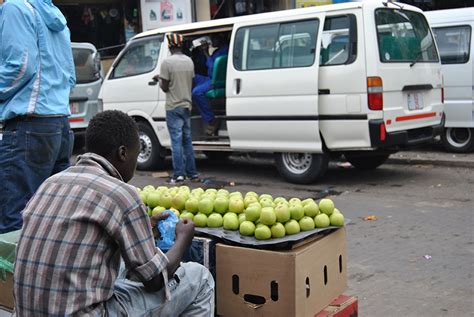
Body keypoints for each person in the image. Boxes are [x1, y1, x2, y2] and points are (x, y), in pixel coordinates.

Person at [13, 110, 215, 316]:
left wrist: (143, 228)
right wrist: (183, 239)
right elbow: (155, 280)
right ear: (123, 153)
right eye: (136, 156)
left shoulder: (51, 183)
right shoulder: (122, 194)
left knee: (118, 268)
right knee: (200, 278)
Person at [0, 0, 76, 233]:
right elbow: (70, 76)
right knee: (55, 215)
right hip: (60, 124)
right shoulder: (55, 15)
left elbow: (20, 66)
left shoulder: (15, 8)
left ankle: (16, 271)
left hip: (29, 125)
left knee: (15, 217)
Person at [154, 33, 200, 184]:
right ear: (180, 45)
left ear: (169, 45)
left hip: (173, 107)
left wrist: (159, 79)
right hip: (187, 105)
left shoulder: (167, 63)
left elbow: (165, 87)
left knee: (176, 141)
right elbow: (191, 83)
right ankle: (192, 173)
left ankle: (179, 174)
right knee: (187, 141)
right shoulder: (189, 61)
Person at [192, 33, 229, 136]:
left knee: (196, 92)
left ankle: (211, 120)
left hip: (216, 80)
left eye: (214, 37)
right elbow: (206, 65)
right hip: (209, 78)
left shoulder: (224, 50)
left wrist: (205, 52)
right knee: (190, 77)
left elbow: (212, 69)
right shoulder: (218, 50)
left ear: (221, 38)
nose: (211, 41)